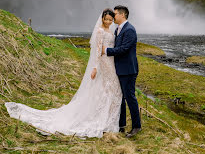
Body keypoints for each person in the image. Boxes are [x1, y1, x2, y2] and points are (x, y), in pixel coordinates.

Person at [5, 9, 122, 138]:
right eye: (106, 19)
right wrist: (95, 67)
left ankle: (106, 117)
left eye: (110, 20)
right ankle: (101, 118)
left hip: (111, 62)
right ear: (102, 19)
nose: (108, 21)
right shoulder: (100, 31)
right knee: (106, 88)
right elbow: (98, 50)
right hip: (103, 63)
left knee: (110, 89)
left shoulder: (111, 30)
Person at [102, 5, 141, 138]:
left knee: (130, 97)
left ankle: (137, 126)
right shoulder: (118, 29)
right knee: (121, 97)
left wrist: (106, 51)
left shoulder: (129, 30)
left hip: (128, 70)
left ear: (122, 15)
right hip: (120, 69)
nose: (113, 16)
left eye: (115, 14)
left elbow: (124, 49)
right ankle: (121, 124)